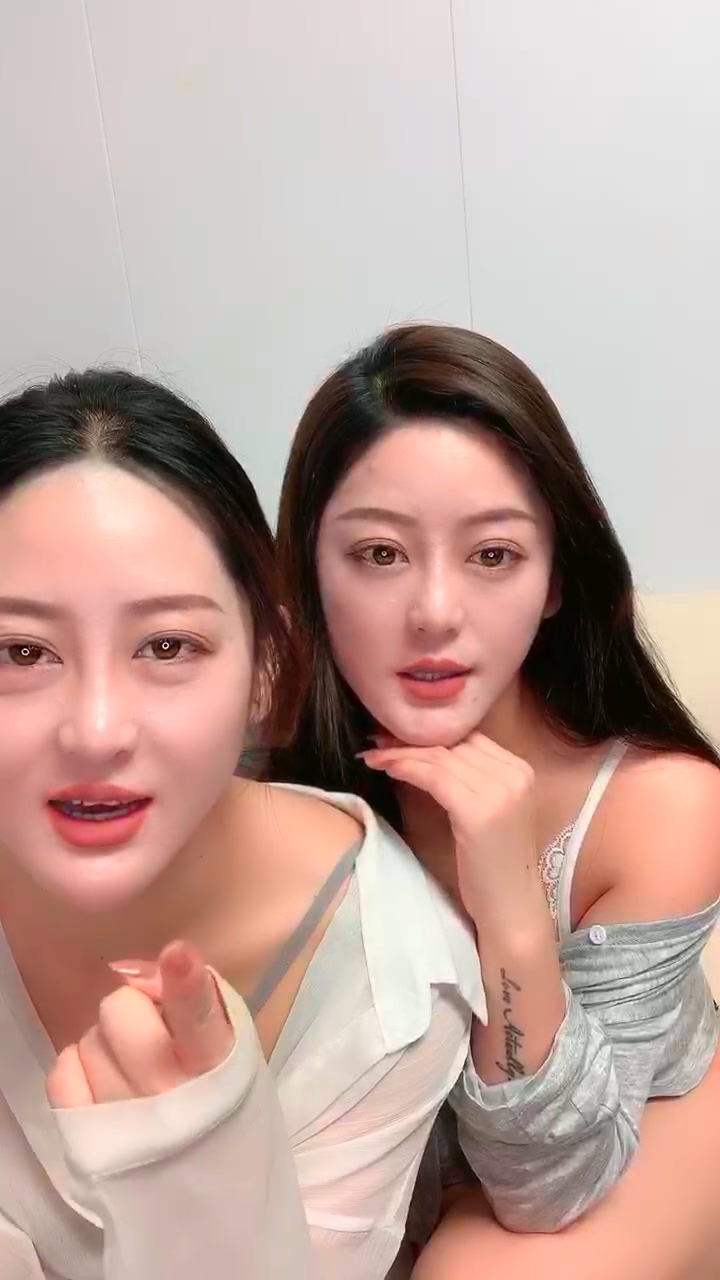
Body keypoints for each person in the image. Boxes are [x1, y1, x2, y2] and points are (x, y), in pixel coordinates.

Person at [0, 368, 486, 1280]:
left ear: (268, 665)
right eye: (21, 651)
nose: (95, 732)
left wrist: (199, 1176)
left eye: (167, 646)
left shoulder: (386, 984)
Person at [273, 323, 720, 1273]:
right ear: (310, 571)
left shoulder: (660, 806)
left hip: (620, 1137)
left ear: (556, 581)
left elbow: (547, 1185)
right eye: (380, 554)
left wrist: (512, 905)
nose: (435, 613)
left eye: (493, 556)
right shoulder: (269, 784)